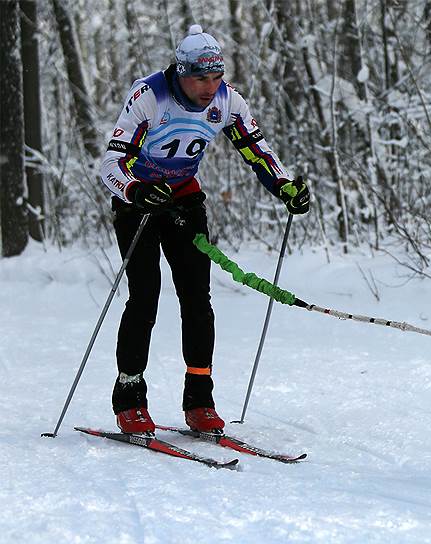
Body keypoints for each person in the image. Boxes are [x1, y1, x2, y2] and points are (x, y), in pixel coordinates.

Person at [98, 25, 310, 435]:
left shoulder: (227, 100)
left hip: (184, 201)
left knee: (197, 298)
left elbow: (256, 148)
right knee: (145, 296)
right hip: (138, 203)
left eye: (216, 77)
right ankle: (129, 396)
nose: (209, 87)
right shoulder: (150, 96)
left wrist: (284, 186)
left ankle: (199, 398)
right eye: (200, 78)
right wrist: (135, 190)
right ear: (181, 72)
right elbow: (111, 164)